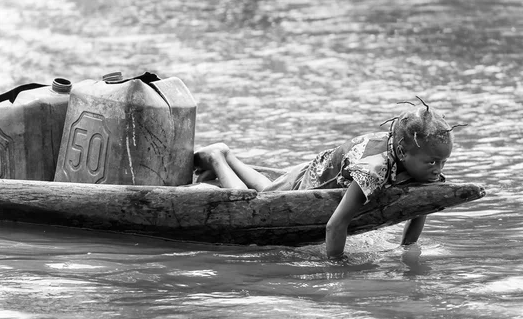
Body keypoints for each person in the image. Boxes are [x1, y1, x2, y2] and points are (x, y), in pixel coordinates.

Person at [193, 97, 465, 259]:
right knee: (258, 202)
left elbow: (421, 204)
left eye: (443, 161)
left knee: (271, 188)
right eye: (433, 162)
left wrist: (408, 248)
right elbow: (336, 225)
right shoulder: (374, 170)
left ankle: (228, 156)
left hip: (321, 168)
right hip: (314, 180)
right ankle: (218, 158)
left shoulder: (419, 160)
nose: (438, 169)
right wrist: (337, 265)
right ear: (403, 153)